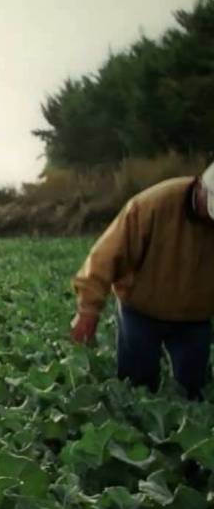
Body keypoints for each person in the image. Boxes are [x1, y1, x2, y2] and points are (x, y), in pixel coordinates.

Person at [70, 161, 214, 399]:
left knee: (193, 391)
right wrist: (88, 310)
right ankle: (135, 433)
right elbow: (105, 256)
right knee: (137, 388)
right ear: (200, 185)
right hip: (141, 311)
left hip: (195, 318)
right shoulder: (152, 205)